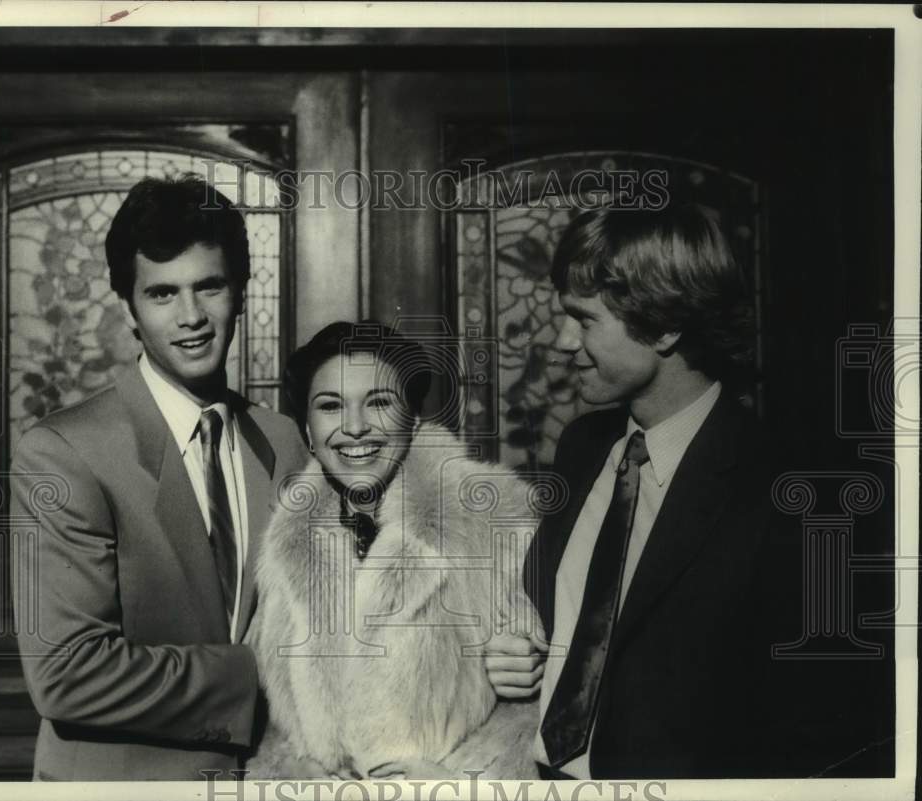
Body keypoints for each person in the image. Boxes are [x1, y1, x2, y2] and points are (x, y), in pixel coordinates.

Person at [525, 203, 869, 778]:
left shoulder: (789, 493)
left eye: (583, 320)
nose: (561, 342)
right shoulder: (582, 447)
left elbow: (816, 732)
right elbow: (555, 623)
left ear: (664, 325)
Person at [10, 176, 307, 780]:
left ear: (241, 293)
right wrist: (259, 673)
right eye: (163, 294)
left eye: (210, 287)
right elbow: (67, 675)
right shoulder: (64, 453)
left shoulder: (283, 440)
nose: (192, 316)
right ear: (129, 309)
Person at [246, 321, 542, 779]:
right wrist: (301, 773)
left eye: (380, 403)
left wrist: (459, 785)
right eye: (330, 406)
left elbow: (548, 705)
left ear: (413, 416)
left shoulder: (494, 518)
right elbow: (272, 720)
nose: (356, 427)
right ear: (307, 428)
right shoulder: (286, 545)